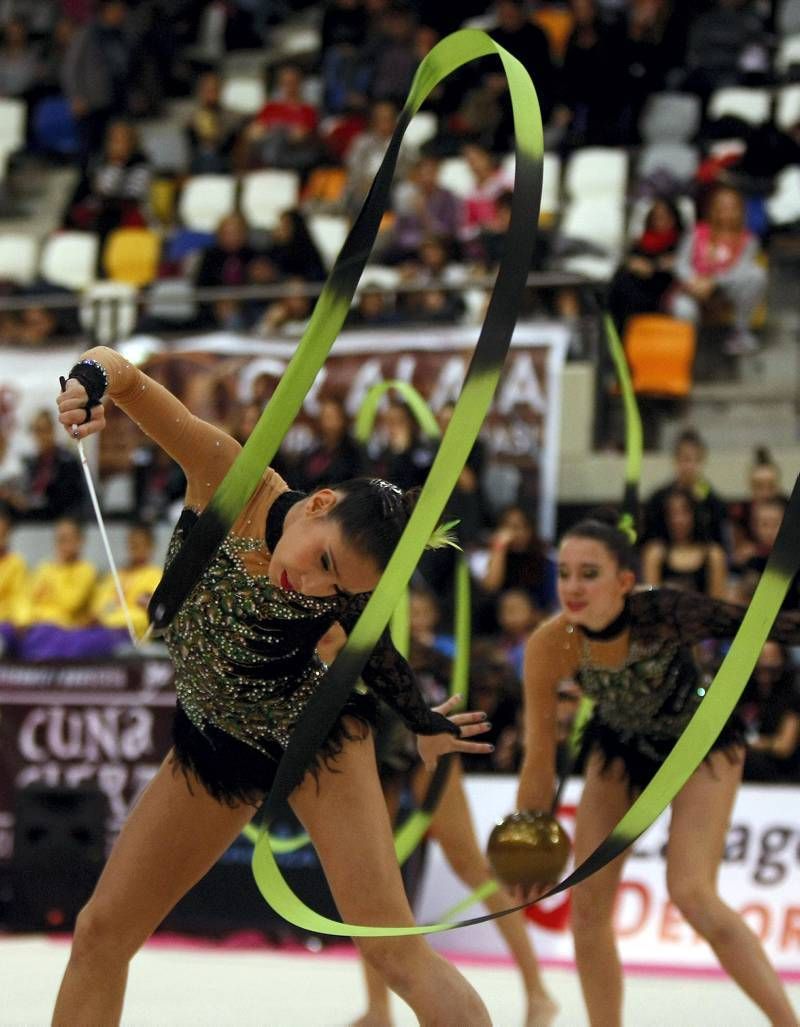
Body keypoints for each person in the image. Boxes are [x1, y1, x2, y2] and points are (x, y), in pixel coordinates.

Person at [54, 346, 495, 1026]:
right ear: (318, 503)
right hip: (212, 743)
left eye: (337, 587)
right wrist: (88, 385)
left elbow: (364, 648)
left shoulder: (336, 581)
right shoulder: (231, 477)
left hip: (312, 737)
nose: (315, 587)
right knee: (100, 933)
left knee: (392, 950)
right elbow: (127, 375)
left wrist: (419, 719)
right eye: (322, 562)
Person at [517, 516, 800, 1027]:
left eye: (589, 573)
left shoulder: (666, 612)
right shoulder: (549, 645)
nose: (573, 588)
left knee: (691, 891)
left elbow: (768, 625)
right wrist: (528, 844)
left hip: (698, 744)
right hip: (620, 746)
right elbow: (538, 759)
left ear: (624, 581)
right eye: (565, 574)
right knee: (587, 909)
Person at [667, 183, 767, 355]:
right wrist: (694, 281)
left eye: (731, 208)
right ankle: (687, 351)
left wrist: (713, 282)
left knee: (756, 274)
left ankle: (740, 333)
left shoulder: (748, 240)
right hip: (694, 289)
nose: (726, 213)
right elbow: (680, 264)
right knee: (683, 308)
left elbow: (740, 271)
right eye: (721, 208)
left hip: (726, 290)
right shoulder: (697, 233)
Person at [607, 196, 684, 332]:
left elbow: (676, 266)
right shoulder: (642, 241)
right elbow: (629, 260)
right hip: (633, 288)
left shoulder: (680, 243)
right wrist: (633, 264)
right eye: (656, 217)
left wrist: (654, 267)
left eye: (664, 217)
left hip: (660, 291)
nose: (659, 221)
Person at [641, 427, 728, 547]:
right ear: (676, 460)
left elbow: (719, 541)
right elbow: (649, 540)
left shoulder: (714, 502)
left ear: (703, 461)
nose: (690, 466)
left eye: (696, 460)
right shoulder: (658, 498)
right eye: (685, 459)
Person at [641, 486, 728, 599]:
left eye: (685, 512)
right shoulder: (654, 553)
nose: (678, 520)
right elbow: (650, 599)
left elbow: (719, 603)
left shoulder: (714, 554)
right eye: (672, 514)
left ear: (695, 514)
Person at [739, 642, 800, 784]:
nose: (765, 664)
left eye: (771, 658)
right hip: (745, 774)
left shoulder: (791, 698)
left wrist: (754, 743)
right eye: (761, 659)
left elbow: (785, 746)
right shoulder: (746, 695)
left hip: (780, 776)